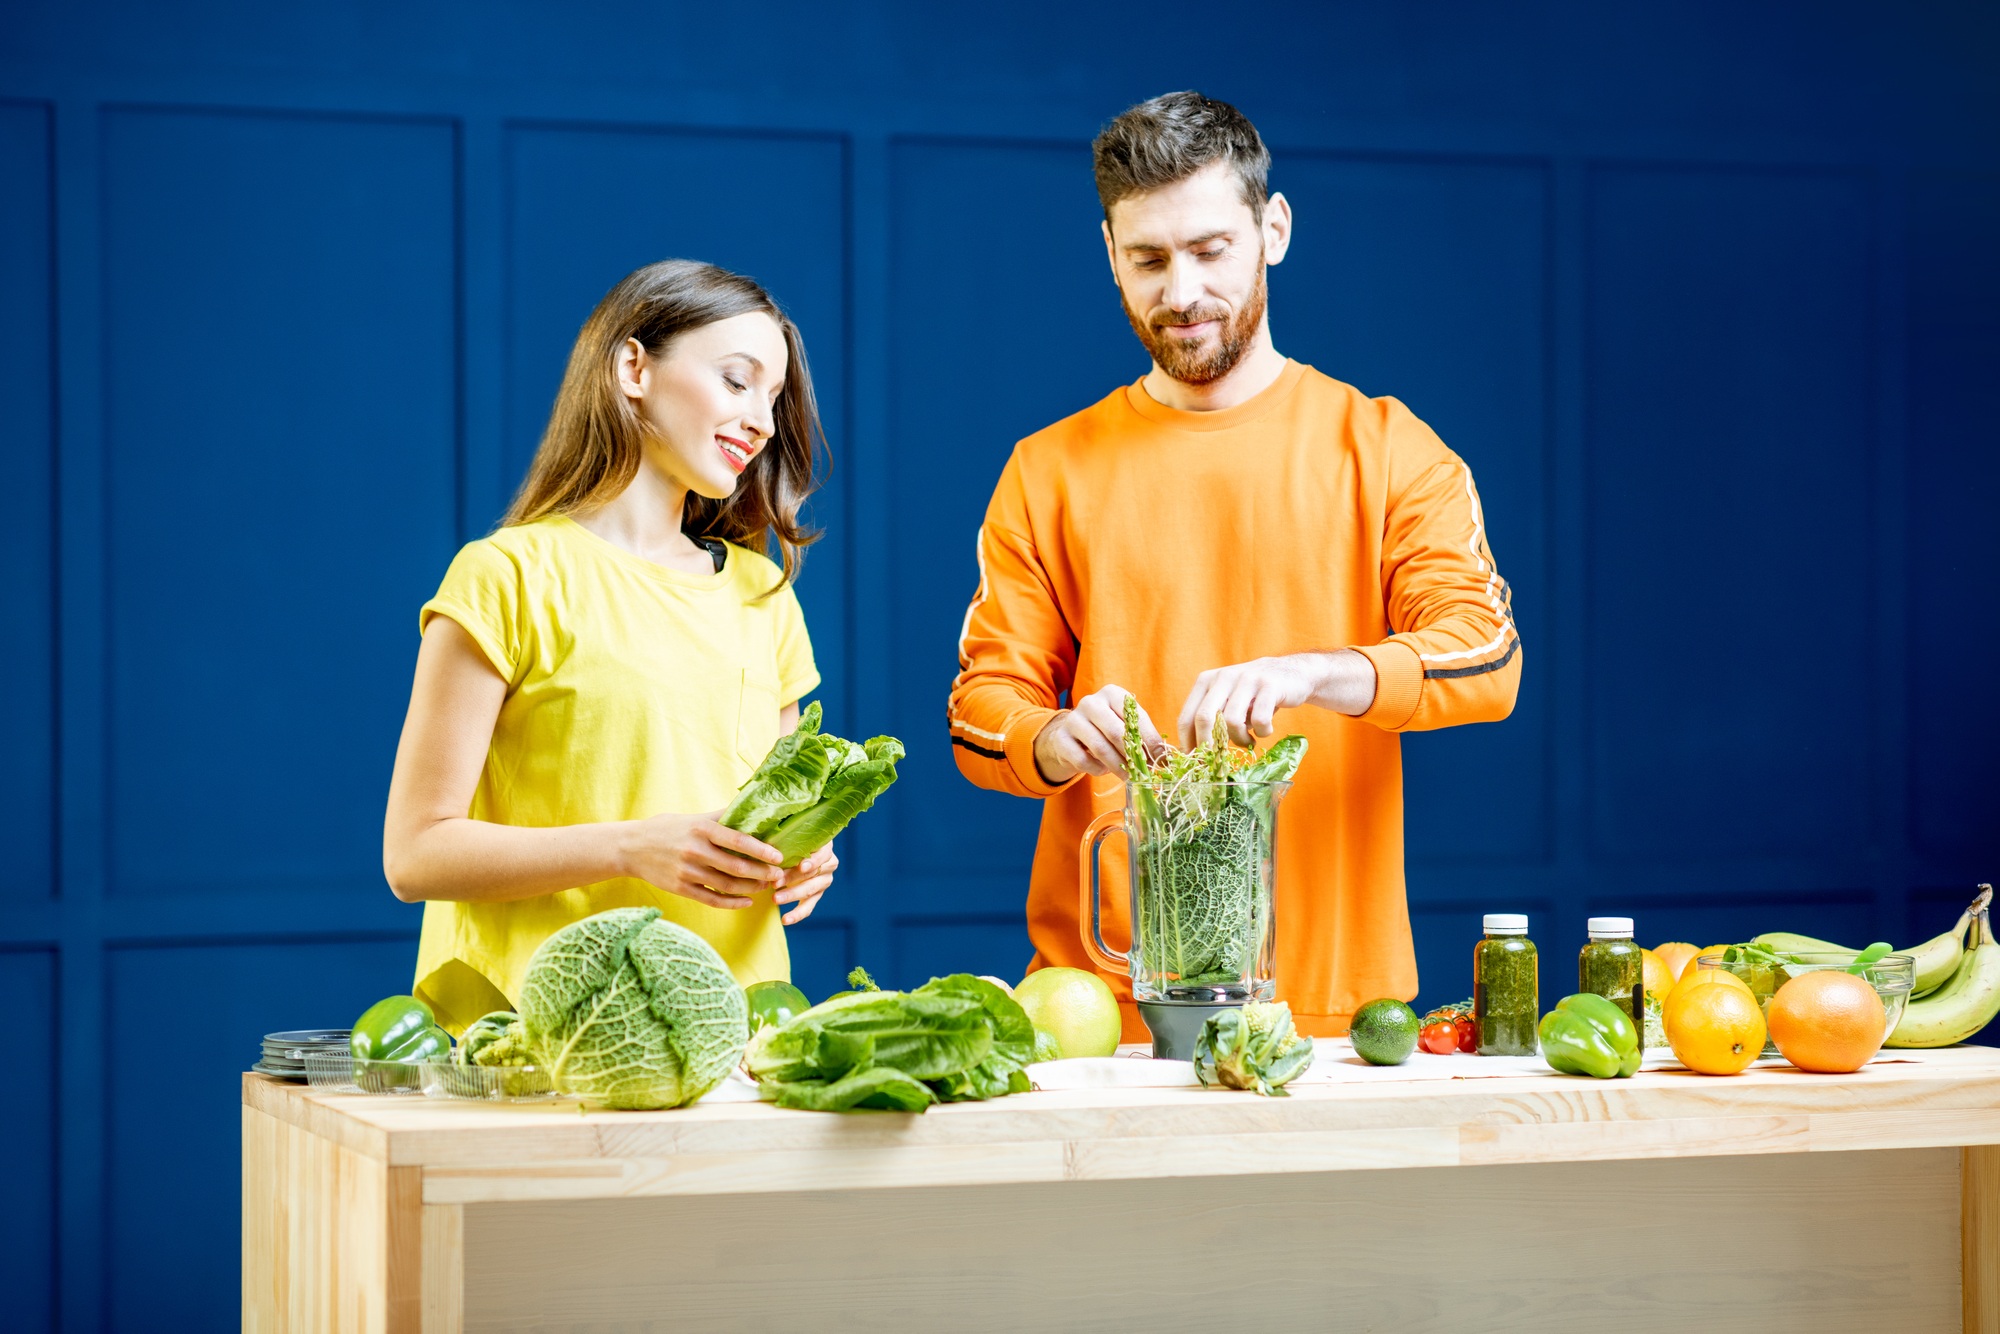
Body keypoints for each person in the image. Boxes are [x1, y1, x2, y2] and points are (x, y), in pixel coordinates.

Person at [947, 93, 1522, 1039]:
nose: (1181, 292)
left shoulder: (1386, 447)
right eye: (1149, 258)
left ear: (1274, 229)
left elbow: (1486, 659)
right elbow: (981, 713)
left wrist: (1317, 670)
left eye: (1211, 250)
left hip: (1337, 1013)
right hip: (1104, 1012)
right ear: (1111, 257)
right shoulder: (1046, 469)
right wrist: (1056, 740)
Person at [382, 260, 838, 1033]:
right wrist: (632, 847)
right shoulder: (507, 576)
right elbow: (416, 854)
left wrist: (798, 854)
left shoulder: (763, 595)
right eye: (737, 381)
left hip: (728, 1033)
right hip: (535, 1046)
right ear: (633, 368)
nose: (762, 420)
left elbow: (762, 816)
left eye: (773, 398)